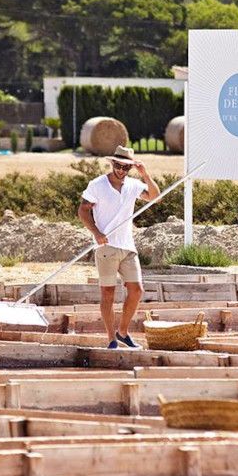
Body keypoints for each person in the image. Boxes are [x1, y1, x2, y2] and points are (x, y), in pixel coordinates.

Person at [78, 146, 160, 349]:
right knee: (108, 293)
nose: (121, 170)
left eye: (126, 167)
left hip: (127, 246)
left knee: (136, 290)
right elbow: (83, 209)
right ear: (112, 163)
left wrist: (145, 174)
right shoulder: (97, 185)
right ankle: (111, 339)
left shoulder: (133, 185)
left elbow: (155, 197)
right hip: (106, 247)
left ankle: (122, 332)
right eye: (118, 165)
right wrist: (96, 232)